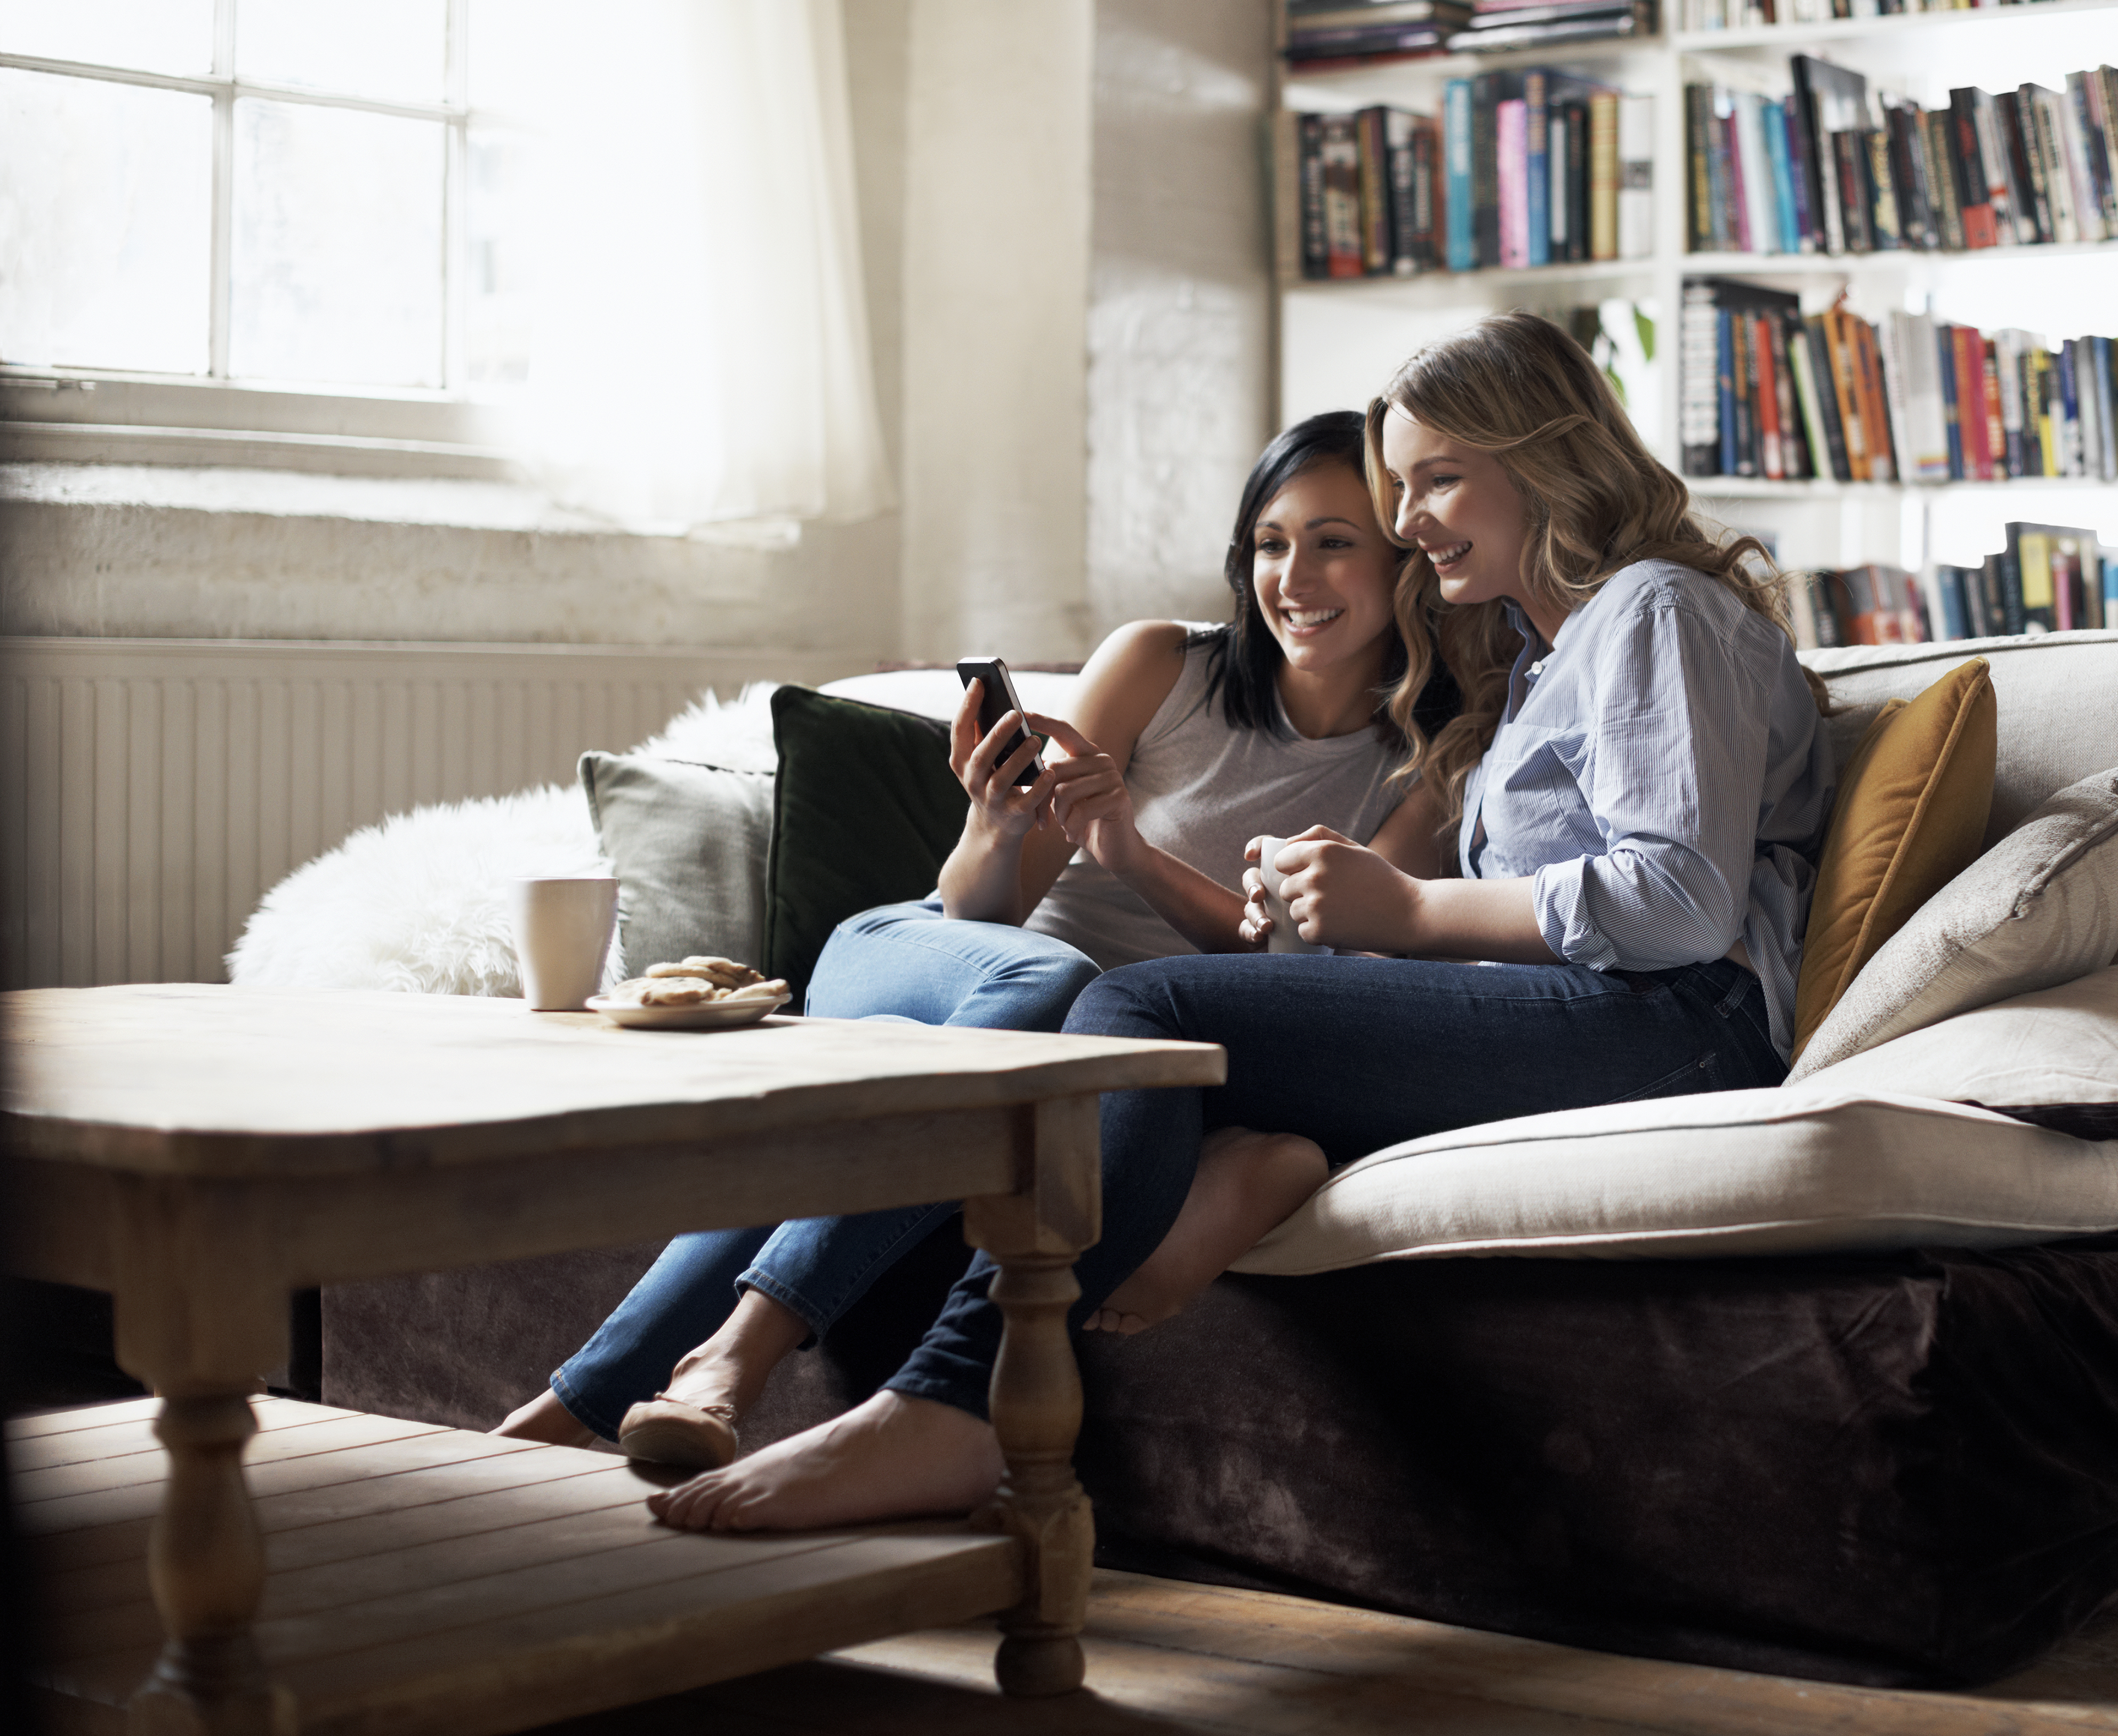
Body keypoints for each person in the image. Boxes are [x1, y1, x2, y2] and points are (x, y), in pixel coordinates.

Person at [647, 311, 1834, 1533]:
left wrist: (1415, 911)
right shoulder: (1544, 655)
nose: (1412, 522)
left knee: (1142, 1009)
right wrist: (1340, 916)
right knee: (1113, 1057)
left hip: (1679, 1024)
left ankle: (945, 1411)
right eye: (1400, 487)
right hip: (1601, 1008)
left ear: (1542, 458)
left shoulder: (1651, 610)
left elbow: (1680, 904)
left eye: (1435, 480)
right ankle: (1225, 1182)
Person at [493, 411, 1455, 1468]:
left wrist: (1129, 855)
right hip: (926, 960)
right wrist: (998, 824)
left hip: (1077, 1055)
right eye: (1270, 543)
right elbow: (978, 917)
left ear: (1405, 559)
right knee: (1052, 976)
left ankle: (567, 1410)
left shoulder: (1432, 759)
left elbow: (1304, 978)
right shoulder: (1156, 666)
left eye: (1332, 541)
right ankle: (732, 1355)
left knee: (1011, 1060)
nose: (1292, 577)